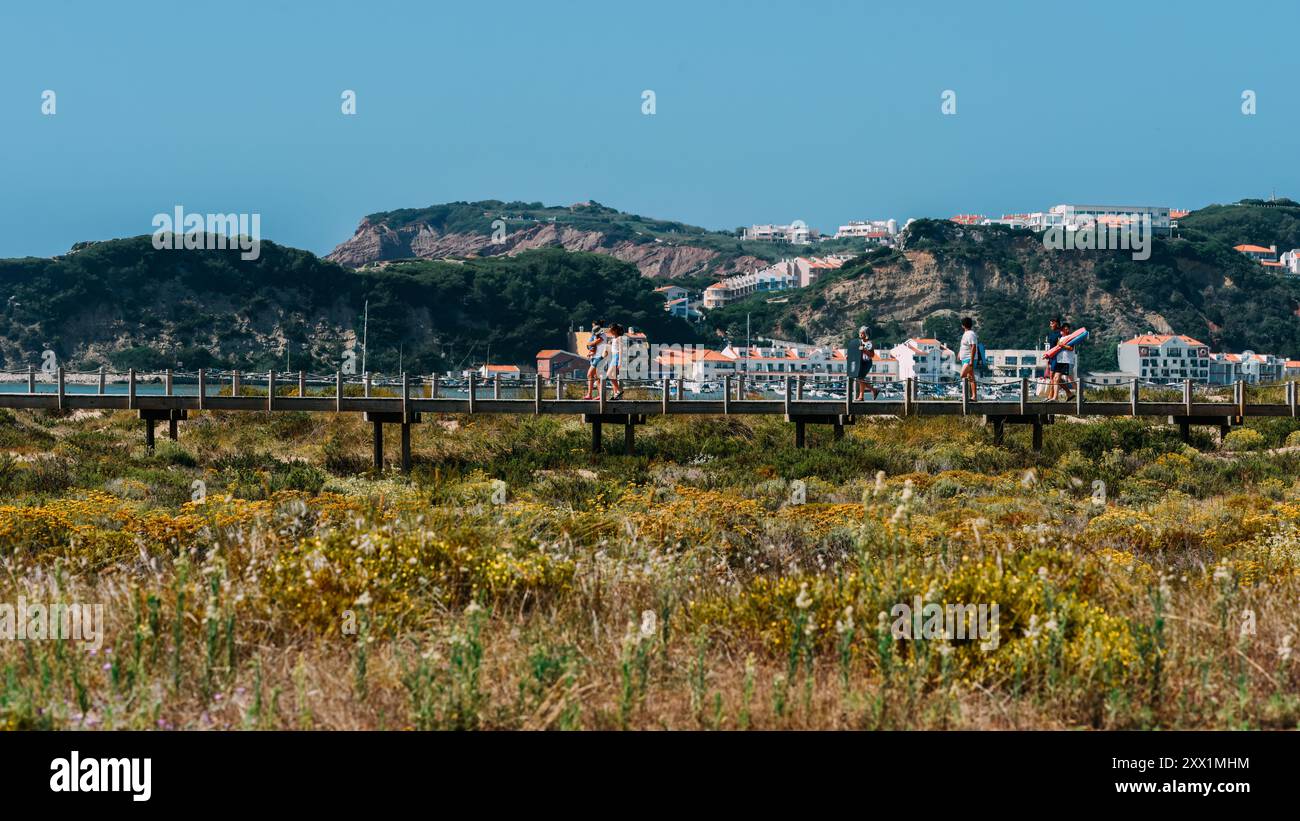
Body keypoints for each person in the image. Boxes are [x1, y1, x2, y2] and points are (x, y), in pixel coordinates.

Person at [582, 320, 608, 400]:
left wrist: (588, 344)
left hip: (599, 357)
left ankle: (589, 395)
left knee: (589, 374)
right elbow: (593, 345)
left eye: (593, 326)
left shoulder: (602, 335)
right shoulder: (597, 335)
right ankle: (601, 395)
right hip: (595, 357)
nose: (592, 328)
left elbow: (593, 343)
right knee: (597, 377)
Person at [854, 325, 879, 400]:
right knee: (860, 379)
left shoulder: (869, 343)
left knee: (860, 378)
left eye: (862, 333)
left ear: (866, 334)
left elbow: (872, 355)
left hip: (867, 362)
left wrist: (864, 350)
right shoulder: (858, 342)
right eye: (860, 333)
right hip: (860, 362)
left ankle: (862, 396)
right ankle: (873, 390)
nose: (860, 334)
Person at [958, 317, 979, 401]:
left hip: (969, 359)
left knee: (962, 375)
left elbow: (973, 346)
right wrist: (960, 353)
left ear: (963, 325)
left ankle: (965, 396)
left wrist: (971, 360)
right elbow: (964, 346)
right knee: (971, 378)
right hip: (965, 359)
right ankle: (973, 397)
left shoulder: (970, 334)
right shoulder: (966, 334)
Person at [1055, 321, 1076, 401]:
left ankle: (1081, 397)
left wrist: (1062, 345)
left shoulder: (1070, 337)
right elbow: (1058, 347)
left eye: (1065, 329)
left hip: (1067, 361)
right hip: (1060, 361)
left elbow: (1071, 348)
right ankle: (1056, 398)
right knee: (1056, 378)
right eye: (1063, 329)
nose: (1061, 331)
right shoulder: (1060, 338)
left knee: (1071, 380)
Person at [605, 323, 626, 400]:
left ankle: (619, 390)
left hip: (617, 357)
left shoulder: (619, 338)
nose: (610, 332)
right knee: (613, 376)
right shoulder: (613, 338)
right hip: (613, 357)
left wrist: (620, 361)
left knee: (609, 374)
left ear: (615, 330)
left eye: (611, 330)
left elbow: (621, 350)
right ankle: (616, 394)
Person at [1045, 317, 1063, 400]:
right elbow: (1050, 347)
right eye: (1050, 323)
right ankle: (1051, 395)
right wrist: (1048, 359)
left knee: (1053, 377)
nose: (1050, 325)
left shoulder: (1061, 333)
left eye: (1052, 323)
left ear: (1057, 323)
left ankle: (1051, 396)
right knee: (1053, 377)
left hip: (1058, 357)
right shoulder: (1051, 333)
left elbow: (1060, 346)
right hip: (1051, 357)